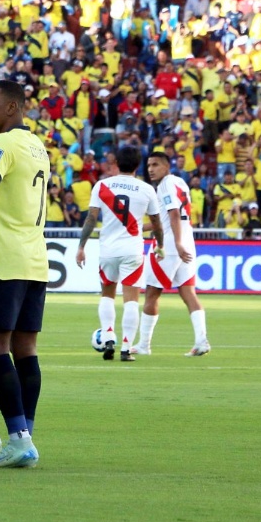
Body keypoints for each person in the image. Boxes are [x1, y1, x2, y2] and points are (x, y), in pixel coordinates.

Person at [0, 78, 51, 469]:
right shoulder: (37, 145)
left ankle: (19, 437)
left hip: (5, 257)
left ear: (12, 108)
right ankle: (26, 437)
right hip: (36, 257)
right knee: (25, 349)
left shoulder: (2, 144)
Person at [76, 146, 165, 362]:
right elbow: (156, 224)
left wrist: (81, 246)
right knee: (131, 300)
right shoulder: (146, 189)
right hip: (132, 250)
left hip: (108, 250)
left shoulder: (102, 185)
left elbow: (90, 218)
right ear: (138, 164)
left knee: (107, 295)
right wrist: (160, 245)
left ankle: (108, 338)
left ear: (116, 162)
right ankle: (126, 348)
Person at [138, 151, 211, 357]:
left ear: (166, 167)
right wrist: (137, 227)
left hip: (169, 246)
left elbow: (174, 214)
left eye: (155, 164)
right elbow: (164, 219)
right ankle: (201, 340)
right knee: (188, 293)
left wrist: (176, 242)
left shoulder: (165, 185)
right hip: (188, 242)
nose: (151, 169)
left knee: (152, 293)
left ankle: (144, 344)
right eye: (149, 165)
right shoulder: (180, 182)